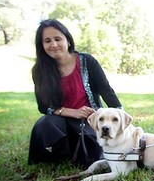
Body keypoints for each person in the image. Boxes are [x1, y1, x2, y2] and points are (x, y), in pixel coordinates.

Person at [28, 19, 122, 168]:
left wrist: (120, 115)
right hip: (60, 120)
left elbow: (106, 90)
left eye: (58, 39)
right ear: (42, 45)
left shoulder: (87, 61)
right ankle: (59, 153)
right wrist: (72, 112)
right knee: (44, 125)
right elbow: (43, 106)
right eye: (47, 41)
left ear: (68, 40)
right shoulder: (39, 70)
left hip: (89, 119)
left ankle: (73, 151)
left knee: (91, 151)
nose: (53, 45)